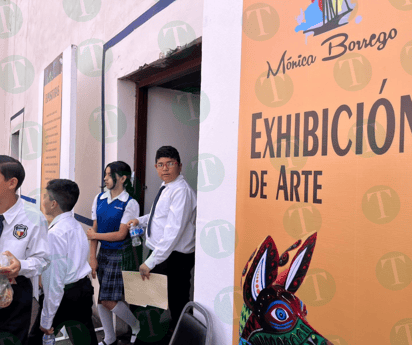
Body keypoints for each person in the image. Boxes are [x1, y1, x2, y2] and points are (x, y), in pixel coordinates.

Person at [127, 146, 196, 334]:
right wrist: (140, 220)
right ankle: (161, 335)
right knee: (156, 302)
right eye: (160, 164)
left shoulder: (181, 191)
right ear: (156, 167)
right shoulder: (167, 186)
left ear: (179, 166)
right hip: (164, 254)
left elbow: (173, 231)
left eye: (170, 164)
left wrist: (150, 262)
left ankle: (181, 337)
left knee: (177, 301)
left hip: (175, 257)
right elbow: (159, 215)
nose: (165, 168)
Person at [28, 179, 98, 345]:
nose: (42, 200)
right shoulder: (74, 225)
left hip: (65, 296)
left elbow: (54, 281)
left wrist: (46, 320)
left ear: (53, 204)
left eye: (45, 196)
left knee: (34, 340)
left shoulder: (55, 234)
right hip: (82, 290)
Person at [87, 161, 141, 345]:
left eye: (109, 175)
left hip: (119, 255)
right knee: (102, 299)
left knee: (108, 300)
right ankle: (109, 338)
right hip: (103, 254)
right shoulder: (99, 198)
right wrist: (92, 256)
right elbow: (94, 229)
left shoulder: (130, 203)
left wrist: (95, 235)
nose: (105, 178)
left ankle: (136, 325)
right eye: (105, 174)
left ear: (123, 178)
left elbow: (121, 234)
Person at [0, 155, 49, 345]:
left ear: (12, 183)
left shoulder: (33, 218)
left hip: (15, 290)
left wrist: (21, 265)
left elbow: (43, 260)